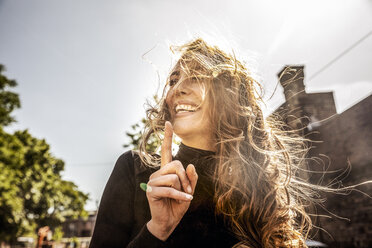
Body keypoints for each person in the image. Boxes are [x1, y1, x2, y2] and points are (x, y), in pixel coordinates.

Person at [89, 38, 314, 248]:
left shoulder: (258, 196)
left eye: (196, 77)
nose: (177, 89)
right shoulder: (134, 169)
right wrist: (156, 230)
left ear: (230, 95)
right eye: (173, 80)